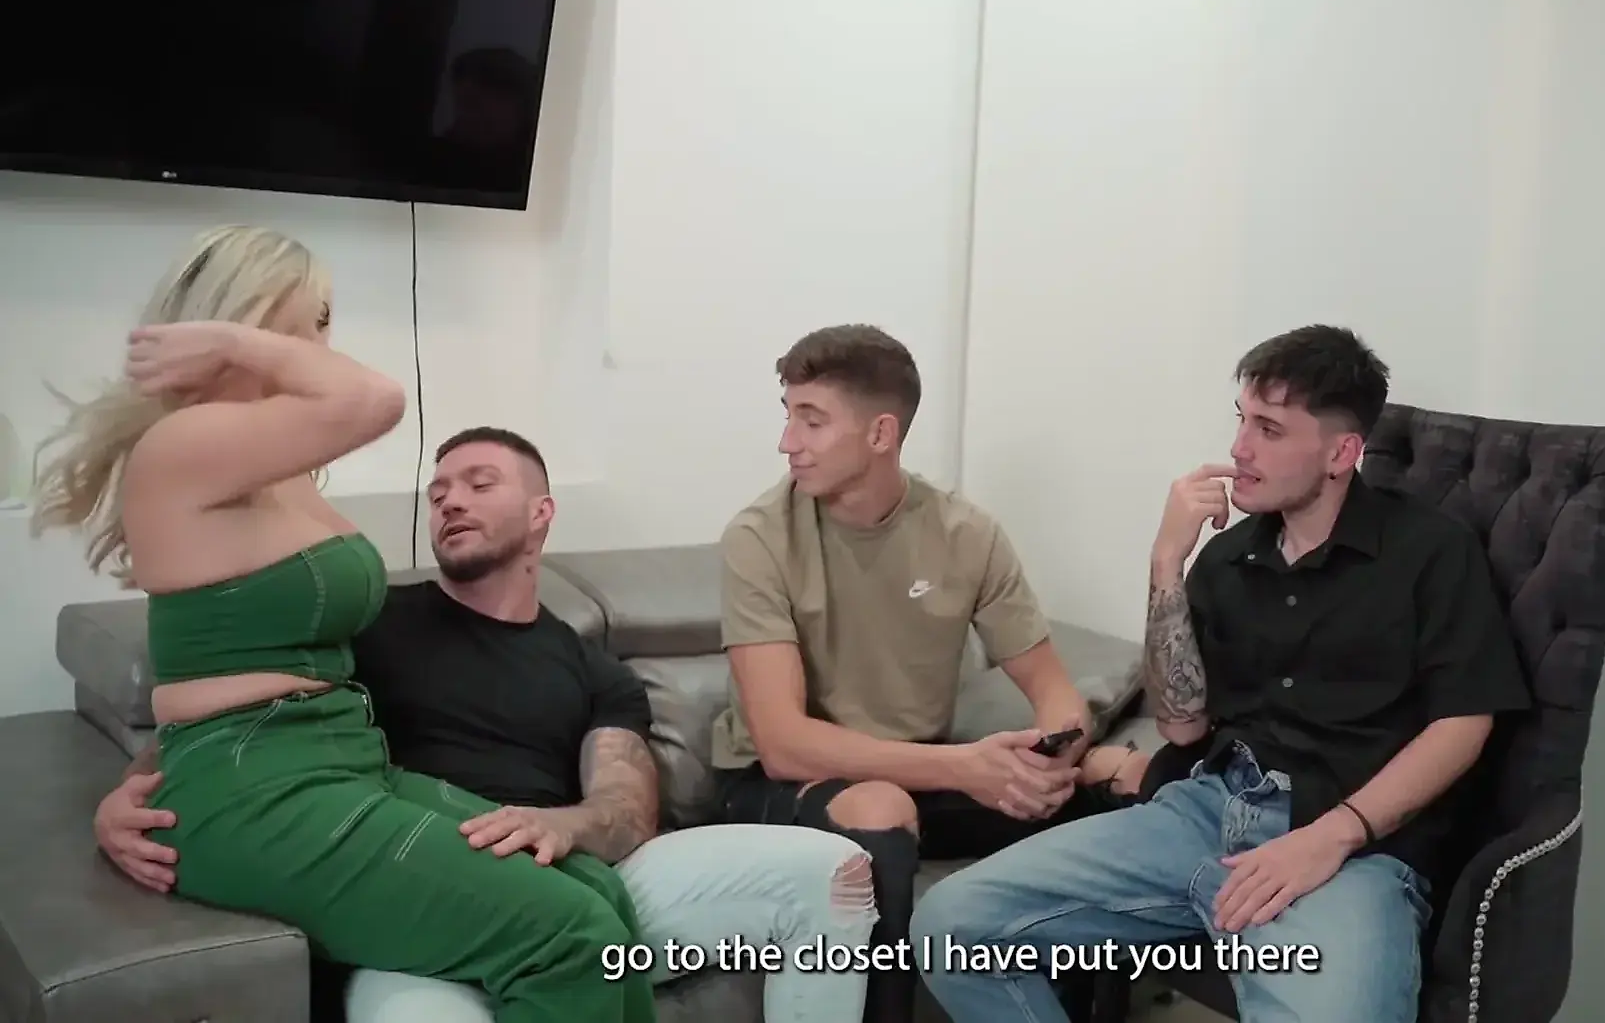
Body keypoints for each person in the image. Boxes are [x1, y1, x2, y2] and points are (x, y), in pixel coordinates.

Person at [30, 225, 654, 1023]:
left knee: (597, 889)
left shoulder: (278, 467)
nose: (326, 343)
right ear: (255, 314)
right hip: (257, 787)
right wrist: (239, 344)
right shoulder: (182, 444)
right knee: (572, 937)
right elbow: (375, 400)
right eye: (315, 319)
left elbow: (227, 655)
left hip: (340, 761)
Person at [94, 425, 880, 1023]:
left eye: (479, 483)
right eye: (438, 491)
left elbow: (626, 809)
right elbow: (237, 723)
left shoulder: (594, 670)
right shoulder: (374, 623)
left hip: (570, 874)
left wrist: (563, 825)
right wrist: (122, 801)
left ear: (541, 514)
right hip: (416, 895)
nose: (450, 501)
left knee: (834, 870)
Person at [911, 325, 1535, 1023]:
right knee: (952, 928)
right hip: (1208, 811)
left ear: (1341, 453)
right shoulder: (1228, 558)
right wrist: (1165, 565)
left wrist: (1332, 836)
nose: (1240, 448)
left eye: (1269, 429)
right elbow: (1181, 724)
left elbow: (1463, 725)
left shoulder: (1431, 553)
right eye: (1242, 419)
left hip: (1349, 844)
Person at [707, 323, 1138, 1023]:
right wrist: (966, 768)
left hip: (922, 774)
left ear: (881, 433)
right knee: (882, 806)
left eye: (811, 420)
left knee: (1119, 775)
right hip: (779, 783)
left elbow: (1054, 689)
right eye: (789, 416)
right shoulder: (759, 538)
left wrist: (1056, 755)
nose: (788, 441)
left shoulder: (966, 534)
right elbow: (783, 743)